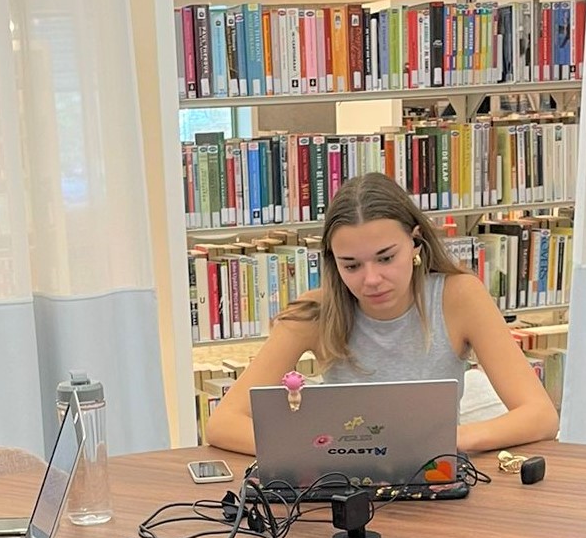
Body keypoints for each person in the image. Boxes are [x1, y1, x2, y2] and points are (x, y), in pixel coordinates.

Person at [203, 172, 560, 456]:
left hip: (435, 473)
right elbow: (222, 425)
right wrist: (314, 450)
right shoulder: (317, 312)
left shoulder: (459, 296)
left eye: (386, 258)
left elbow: (540, 416)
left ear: (415, 243)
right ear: (333, 263)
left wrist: (450, 441)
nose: (371, 279)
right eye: (352, 265)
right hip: (343, 478)